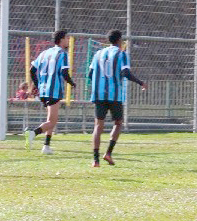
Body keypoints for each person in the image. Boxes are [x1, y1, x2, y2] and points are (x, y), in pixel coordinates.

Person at [89, 30, 146, 167]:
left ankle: (95, 160)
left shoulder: (98, 54)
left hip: (99, 94)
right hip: (114, 94)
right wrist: (140, 82)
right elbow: (125, 72)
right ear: (119, 40)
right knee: (118, 123)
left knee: (98, 126)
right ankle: (108, 153)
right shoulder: (121, 54)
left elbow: (90, 74)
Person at [25, 30, 76, 154]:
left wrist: (38, 85)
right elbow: (64, 73)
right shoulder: (62, 54)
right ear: (61, 39)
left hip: (43, 91)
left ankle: (46, 146)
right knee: (52, 121)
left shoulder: (44, 53)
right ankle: (32, 133)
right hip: (54, 90)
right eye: (67, 38)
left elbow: (32, 70)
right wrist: (72, 83)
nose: (68, 40)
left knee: (50, 119)